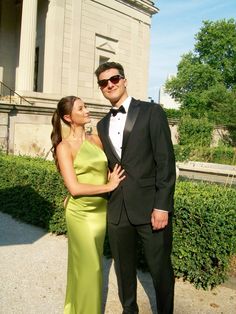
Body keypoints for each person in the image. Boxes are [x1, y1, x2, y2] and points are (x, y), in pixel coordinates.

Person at [95, 62, 176, 314]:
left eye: (114, 79)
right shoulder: (101, 125)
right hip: (118, 209)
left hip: (151, 209)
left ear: (124, 80)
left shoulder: (152, 112)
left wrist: (162, 206)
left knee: (160, 268)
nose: (110, 84)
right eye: (103, 82)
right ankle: (129, 310)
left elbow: (165, 162)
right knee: (123, 269)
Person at [50, 95, 125, 314]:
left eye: (85, 107)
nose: (87, 111)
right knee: (90, 268)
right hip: (80, 215)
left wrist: (111, 176)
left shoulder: (97, 140)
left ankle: (76, 308)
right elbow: (74, 188)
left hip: (100, 212)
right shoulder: (64, 147)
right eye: (81, 108)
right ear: (68, 117)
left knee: (89, 266)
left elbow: (108, 168)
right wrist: (109, 186)